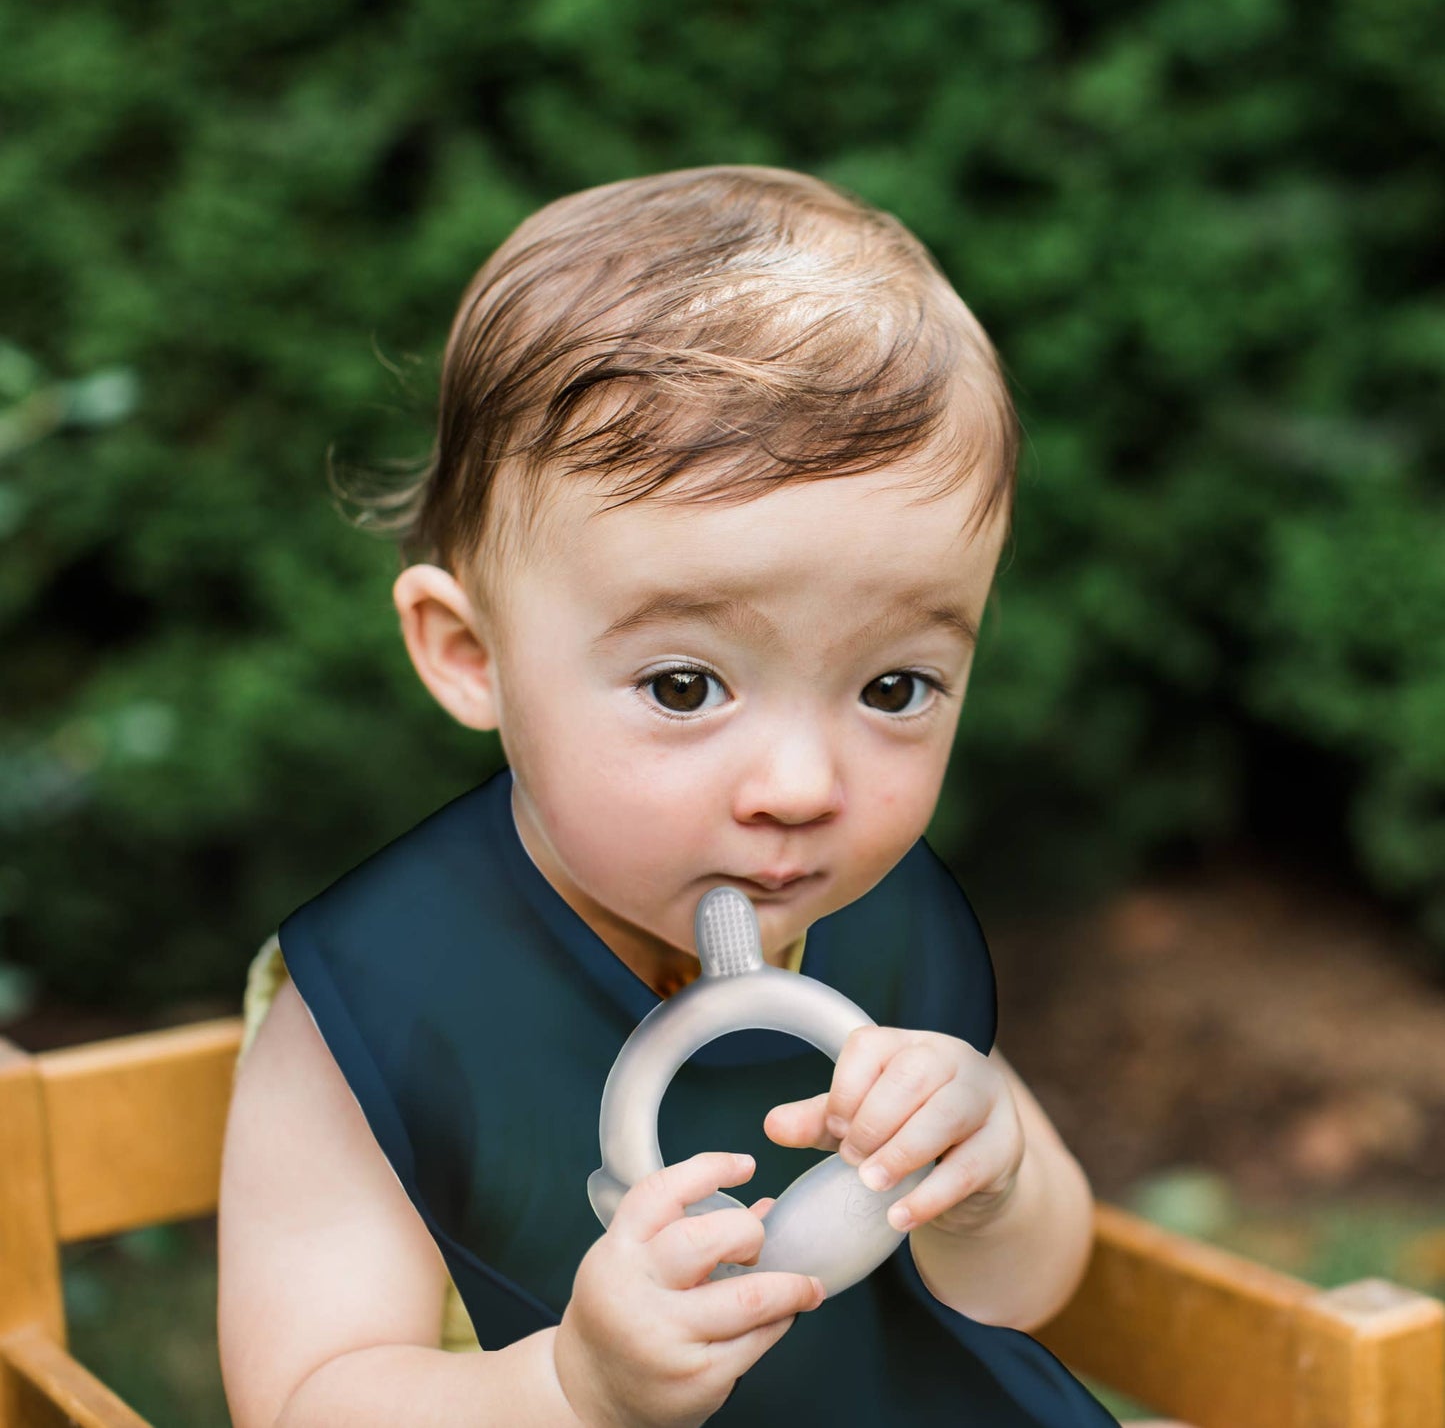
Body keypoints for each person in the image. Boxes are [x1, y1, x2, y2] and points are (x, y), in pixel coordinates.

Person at [219, 166, 1182, 1427]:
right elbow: (304, 1398)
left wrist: (987, 1175)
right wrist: (571, 1387)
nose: (800, 787)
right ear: (470, 654)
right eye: (683, 685)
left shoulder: (873, 926)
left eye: (893, 686)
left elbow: (1020, 1287)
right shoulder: (375, 1004)